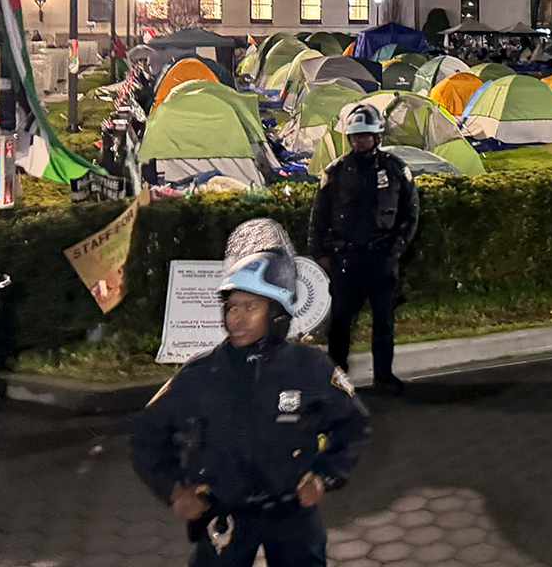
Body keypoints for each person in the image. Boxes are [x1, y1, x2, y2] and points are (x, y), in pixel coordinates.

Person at [131, 237, 370, 566]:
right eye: (231, 307)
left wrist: (324, 475)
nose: (236, 318)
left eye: (250, 307)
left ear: (276, 315)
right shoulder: (201, 373)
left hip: (292, 513)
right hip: (223, 513)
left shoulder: (310, 368)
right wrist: (174, 490)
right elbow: (146, 434)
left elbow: (354, 424)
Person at [308, 103, 419, 394]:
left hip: (382, 260)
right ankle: (336, 378)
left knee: (384, 322)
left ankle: (384, 376)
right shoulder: (334, 173)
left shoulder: (396, 170)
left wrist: (396, 249)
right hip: (347, 259)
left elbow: (410, 214)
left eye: (366, 136)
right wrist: (320, 254)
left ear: (377, 136)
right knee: (341, 323)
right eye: (356, 136)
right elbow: (318, 218)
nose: (360, 141)